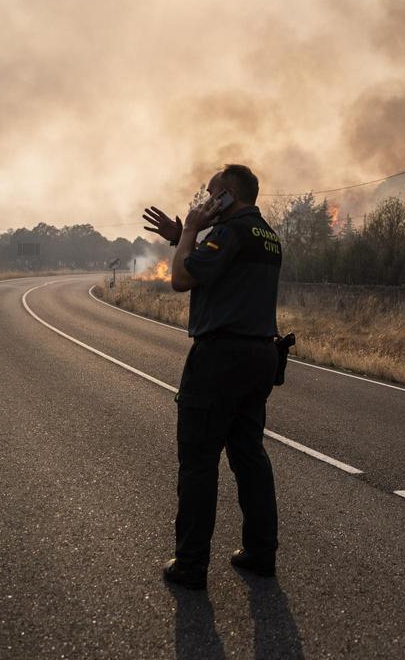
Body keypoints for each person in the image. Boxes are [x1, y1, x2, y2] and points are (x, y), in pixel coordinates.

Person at [142, 164, 283, 590]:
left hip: (220, 357)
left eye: (211, 193)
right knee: (248, 456)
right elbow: (220, 267)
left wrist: (188, 232)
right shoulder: (267, 236)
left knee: (199, 462)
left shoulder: (229, 233)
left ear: (229, 196)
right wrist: (179, 236)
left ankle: (190, 566)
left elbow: (183, 278)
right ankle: (261, 554)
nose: (204, 201)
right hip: (260, 356)